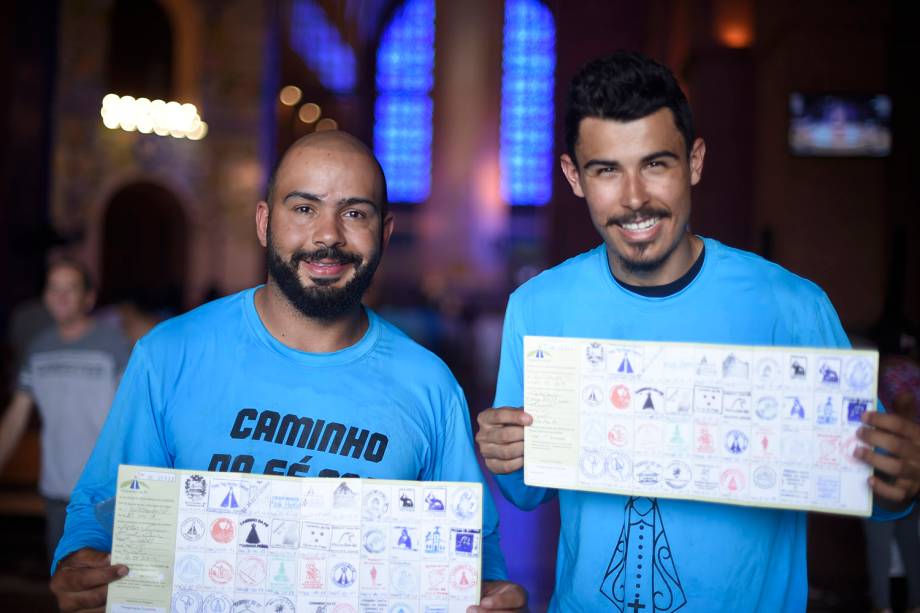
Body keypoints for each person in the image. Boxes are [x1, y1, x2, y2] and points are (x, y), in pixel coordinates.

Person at [475, 51, 920, 611]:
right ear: (574, 177)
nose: (634, 197)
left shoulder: (792, 307)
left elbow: (873, 489)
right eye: (606, 169)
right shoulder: (538, 306)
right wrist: (502, 451)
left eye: (656, 163)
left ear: (695, 162)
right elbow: (525, 492)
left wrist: (898, 479)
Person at [48, 131, 525, 613]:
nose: (328, 235)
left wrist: (489, 596)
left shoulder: (430, 385)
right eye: (303, 208)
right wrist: (80, 561)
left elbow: (473, 555)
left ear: (384, 232)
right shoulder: (170, 354)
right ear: (264, 222)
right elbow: (103, 506)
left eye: (355, 213)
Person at [0, 259, 131, 562]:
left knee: (101, 593)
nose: (60, 297)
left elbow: (131, 414)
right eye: (53, 288)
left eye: (70, 289)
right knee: (63, 588)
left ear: (89, 297)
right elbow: (15, 417)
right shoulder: (38, 348)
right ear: (45, 296)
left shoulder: (113, 345)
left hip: (105, 492)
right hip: (56, 491)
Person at [864, 328, 920, 613]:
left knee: (880, 541)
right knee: (912, 538)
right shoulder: (914, 371)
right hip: (914, 466)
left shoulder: (887, 372)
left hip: (890, 459)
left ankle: (882, 606)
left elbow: (904, 406)